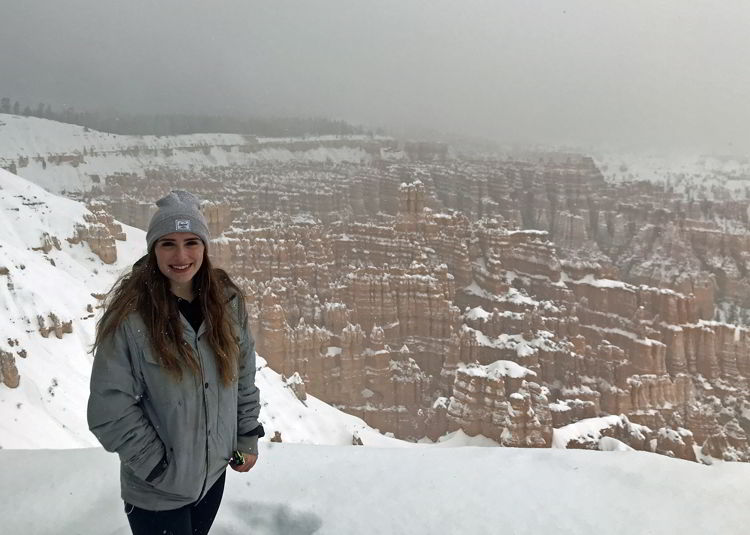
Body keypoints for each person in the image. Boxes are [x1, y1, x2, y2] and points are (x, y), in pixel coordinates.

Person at [87, 190, 263, 535]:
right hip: (156, 493)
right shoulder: (130, 317)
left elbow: (242, 373)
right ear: (153, 249)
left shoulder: (227, 303)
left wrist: (245, 437)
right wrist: (158, 467)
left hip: (212, 479)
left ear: (204, 246)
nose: (180, 255)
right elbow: (109, 409)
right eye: (167, 243)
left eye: (191, 242)